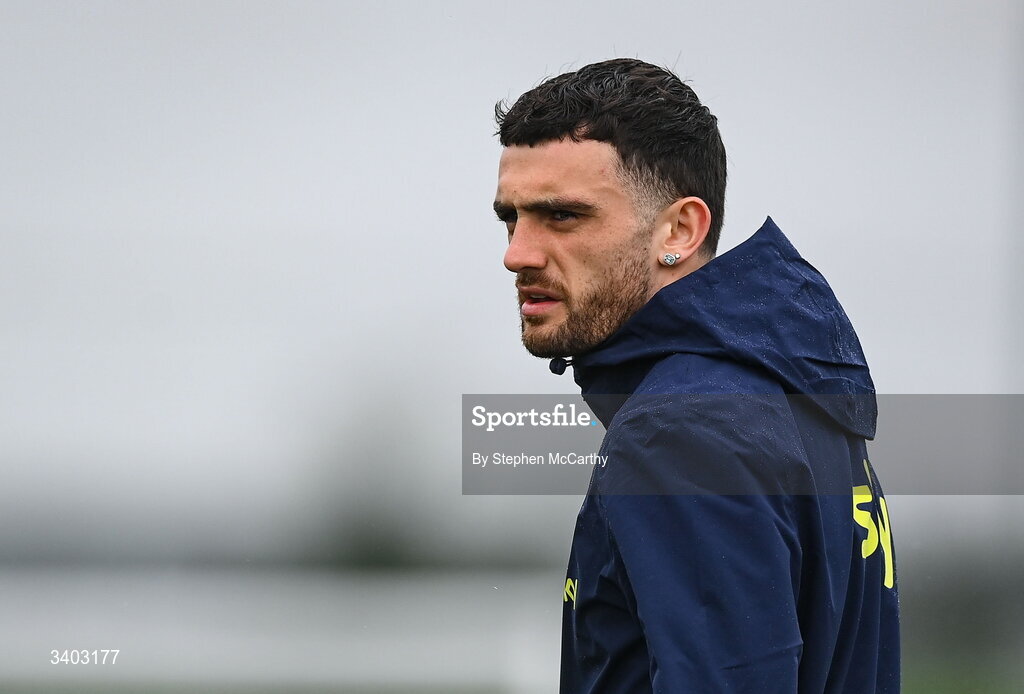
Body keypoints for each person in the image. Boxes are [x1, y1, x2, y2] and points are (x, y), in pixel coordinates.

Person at [493, 59, 899, 693]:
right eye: (511, 218)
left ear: (679, 229)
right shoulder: (782, 391)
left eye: (562, 217)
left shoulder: (682, 430)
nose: (518, 252)